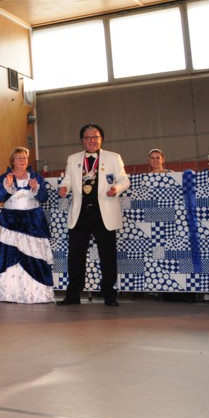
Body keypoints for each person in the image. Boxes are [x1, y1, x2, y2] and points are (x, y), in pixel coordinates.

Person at [57, 123, 130, 307]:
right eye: (88, 138)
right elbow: (67, 179)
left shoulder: (113, 157)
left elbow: (124, 180)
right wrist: (64, 187)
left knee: (107, 255)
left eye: (95, 137)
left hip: (103, 212)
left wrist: (116, 188)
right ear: (82, 140)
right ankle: (73, 295)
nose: (92, 141)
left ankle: (109, 294)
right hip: (80, 213)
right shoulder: (73, 159)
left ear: (101, 139)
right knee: (75, 256)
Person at [0, 147, 53, 304]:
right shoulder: (4, 177)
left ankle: (37, 294)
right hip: (11, 222)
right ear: (12, 161)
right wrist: (7, 186)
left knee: (34, 255)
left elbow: (44, 197)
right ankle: (10, 293)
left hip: (33, 222)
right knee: (10, 256)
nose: (22, 161)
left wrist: (35, 188)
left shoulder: (36, 177)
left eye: (25, 158)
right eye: (19, 158)